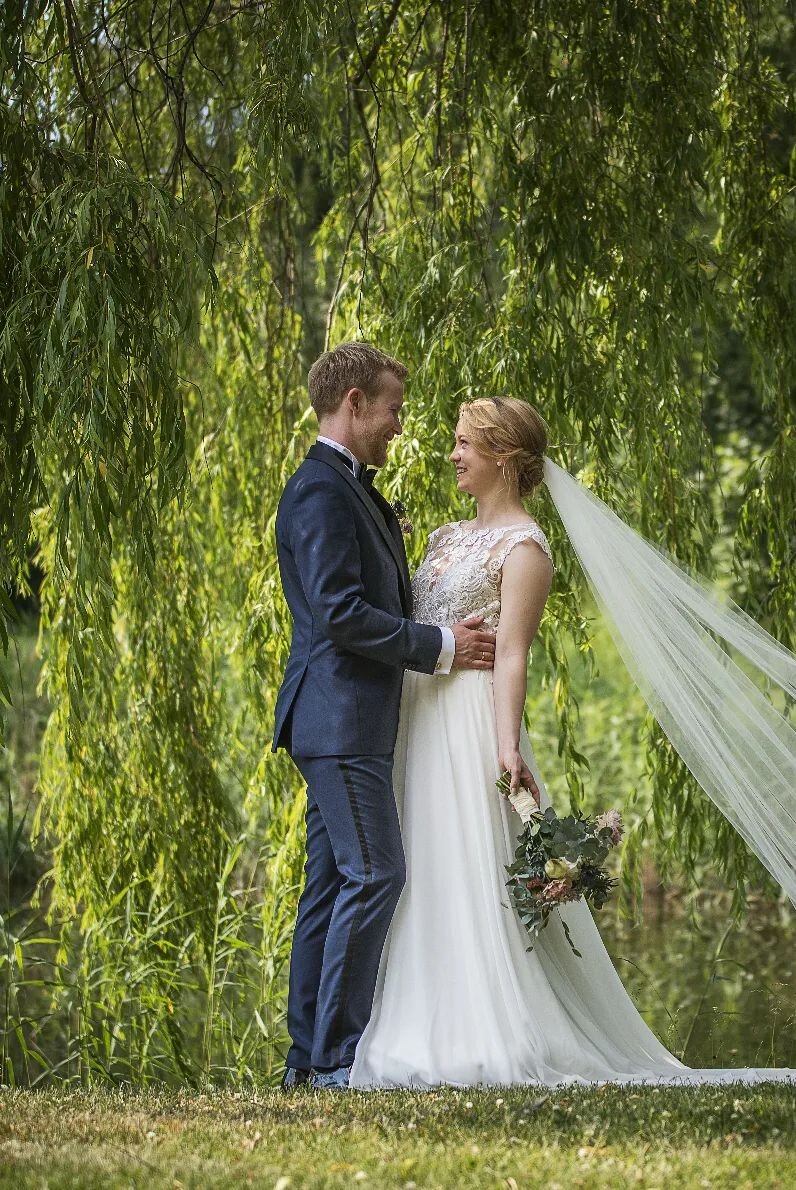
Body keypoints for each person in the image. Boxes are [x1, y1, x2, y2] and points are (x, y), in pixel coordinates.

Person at [350, 396, 796, 1087]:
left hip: (471, 719)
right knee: (422, 864)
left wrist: (506, 748)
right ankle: (410, 1018)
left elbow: (514, 655)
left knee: (467, 862)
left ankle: (481, 1026)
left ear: (504, 456)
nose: (452, 454)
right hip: (420, 712)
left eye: (466, 443)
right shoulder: (440, 537)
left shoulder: (526, 549)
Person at [271, 343, 500, 1091]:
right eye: (394, 407)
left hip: (346, 718)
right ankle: (334, 1059)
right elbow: (338, 612)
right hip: (338, 718)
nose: (401, 424)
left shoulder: (351, 489)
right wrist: (438, 645)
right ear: (356, 402)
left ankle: (309, 1061)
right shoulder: (318, 492)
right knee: (376, 873)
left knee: (333, 882)